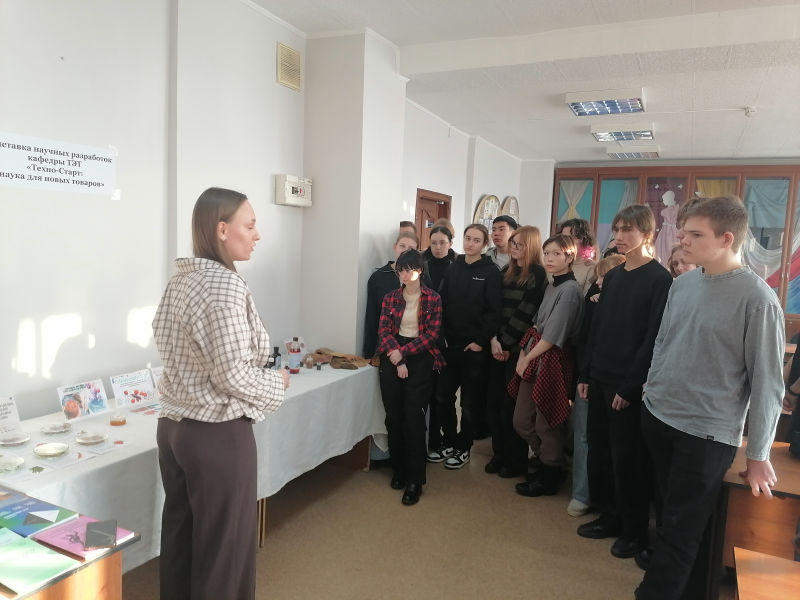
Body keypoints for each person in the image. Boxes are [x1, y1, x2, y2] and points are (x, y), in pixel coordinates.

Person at [635, 196, 785, 600]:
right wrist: (653, 385)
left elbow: (768, 383)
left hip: (705, 434)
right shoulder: (683, 284)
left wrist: (759, 455)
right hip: (659, 417)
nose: (682, 240)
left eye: (695, 234)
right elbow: (664, 341)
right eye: (683, 232)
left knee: (679, 531)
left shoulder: (758, 299)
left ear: (726, 239)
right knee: (672, 519)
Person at [152, 187, 290, 600]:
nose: (257, 234)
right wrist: (276, 383)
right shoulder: (223, 285)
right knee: (224, 553)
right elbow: (231, 373)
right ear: (222, 229)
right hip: (216, 433)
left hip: (173, 428)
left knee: (180, 537)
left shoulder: (181, 280)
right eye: (250, 225)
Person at [577, 205, 672, 561]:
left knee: (628, 461)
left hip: (627, 385)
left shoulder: (659, 280)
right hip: (599, 377)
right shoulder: (614, 275)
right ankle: (610, 517)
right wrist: (586, 374)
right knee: (599, 453)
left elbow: (652, 340)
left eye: (627, 230)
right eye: (616, 230)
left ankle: (634, 531)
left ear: (647, 234)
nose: (618, 236)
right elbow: (598, 329)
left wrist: (630, 386)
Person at [509, 233, 584, 497]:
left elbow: (553, 337)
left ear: (569, 257)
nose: (550, 258)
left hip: (554, 361)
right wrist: (523, 355)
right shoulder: (553, 285)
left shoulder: (570, 290)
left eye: (557, 254)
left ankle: (550, 472)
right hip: (535, 354)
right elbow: (535, 324)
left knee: (546, 422)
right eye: (547, 253)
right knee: (521, 420)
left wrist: (527, 357)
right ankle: (548, 462)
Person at [428, 224, 502, 469]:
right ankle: (449, 441)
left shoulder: (491, 272)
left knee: (469, 405)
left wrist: (480, 341)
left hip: (474, 349)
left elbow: (494, 312)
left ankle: (464, 447)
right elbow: (441, 303)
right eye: (467, 238)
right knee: (443, 397)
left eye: (476, 240)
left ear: (484, 244)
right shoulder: (454, 267)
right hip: (449, 345)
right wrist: (441, 336)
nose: (470, 243)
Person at [376, 249, 444, 506]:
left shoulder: (433, 298)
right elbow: (384, 330)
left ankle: (415, 480)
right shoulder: (391, 297)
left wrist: (404, 354)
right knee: (393, 416)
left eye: (409, 270)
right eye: (400, 270)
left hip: (421, 356)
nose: (404, 275)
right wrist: (398, 358)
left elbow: (431, 335)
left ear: (420, 270)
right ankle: (399, 469)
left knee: (413, 418)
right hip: (392, 354)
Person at [486, 226, 548, 479]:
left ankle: (515, 460)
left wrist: (504, 343)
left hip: (517, 350)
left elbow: (526, 314)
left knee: (510, 408)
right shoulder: (506, 271)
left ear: (530, 246)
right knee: (494, 405)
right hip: (497, 346)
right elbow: (494, 308)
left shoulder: (537, 274)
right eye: (513, 243)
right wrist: (493, 339)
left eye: (519, 244)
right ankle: (499, 454)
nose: (513, 248)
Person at [567, 252, 626, 517]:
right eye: (598, 278)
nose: (598, 283)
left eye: (603, 278)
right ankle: (582, 493)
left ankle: (608, 501)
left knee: (610, 443)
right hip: (589, 376)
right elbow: (585, 342)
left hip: (617, 383)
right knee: (583, 435)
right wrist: (584, 376)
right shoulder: (593, 302)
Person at [362, 232, 419, 359]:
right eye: (402, 246)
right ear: (395, 247)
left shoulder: (421, 277)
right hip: (387, 347)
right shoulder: (379, 277)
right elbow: (372, 316)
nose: (405, 251)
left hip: (415, 347)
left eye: (410, 248)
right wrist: (369, 352)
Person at [559, 218, 598, 294]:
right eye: (562, 237)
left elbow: (586, 297)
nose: (564, 241)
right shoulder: (555, 262)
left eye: (570, 238)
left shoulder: (591, 267)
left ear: (583, 239)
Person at [422, 226, 457, 291]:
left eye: (442, 243)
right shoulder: (421, 262)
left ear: (450, 244)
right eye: (434, 243)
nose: (438, 247)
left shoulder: (457, 264)